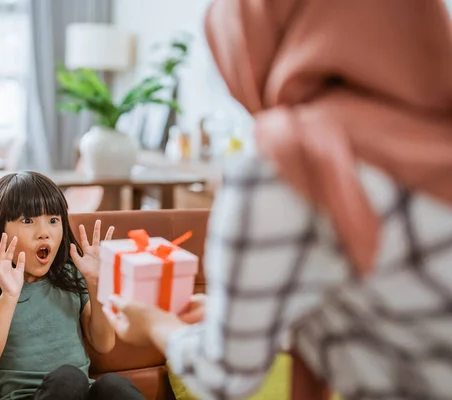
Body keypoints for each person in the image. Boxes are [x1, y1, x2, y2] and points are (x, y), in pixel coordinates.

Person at [102, 1, 452, 399]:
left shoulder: (288, 161)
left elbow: (225, 377)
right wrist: (231, 317)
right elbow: (390, 304)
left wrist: (154, 323)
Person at [0, 171, 145, 400]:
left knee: (113, 386)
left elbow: (104, 343)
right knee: (69, 378)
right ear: (0, 229)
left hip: (80, 393)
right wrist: (9, 295)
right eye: (28, 221)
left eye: (54, 220)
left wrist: (95, 282)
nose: (44, 233)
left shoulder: (70, 278)